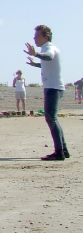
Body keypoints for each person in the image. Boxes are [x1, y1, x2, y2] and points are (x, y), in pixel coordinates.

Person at [25, 25, 69, 161]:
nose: (34, 39)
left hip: (53, 88)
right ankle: (63, 150)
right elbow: (47, 63)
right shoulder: (47, 48)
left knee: (51, 118)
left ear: (46, 36)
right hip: (53, 87)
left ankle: (59, 153)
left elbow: (49, 57)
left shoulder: (49, 48)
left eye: (37, 36)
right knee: (52, 118)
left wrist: (36, 54)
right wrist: (36, 64)